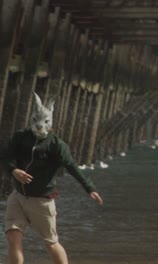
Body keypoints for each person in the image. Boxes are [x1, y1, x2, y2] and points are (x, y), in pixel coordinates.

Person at [2, 92, 103, 264]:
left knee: (51, 243)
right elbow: (4, 156)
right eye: (36, 120)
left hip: (41, 201)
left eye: (45, 122)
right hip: (18, 196)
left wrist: (89, 188)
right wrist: (13, 170)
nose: (39, 126)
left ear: (50, 123)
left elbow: (71, 166)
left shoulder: (57, 145)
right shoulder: (21, 137)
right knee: (13, 236)